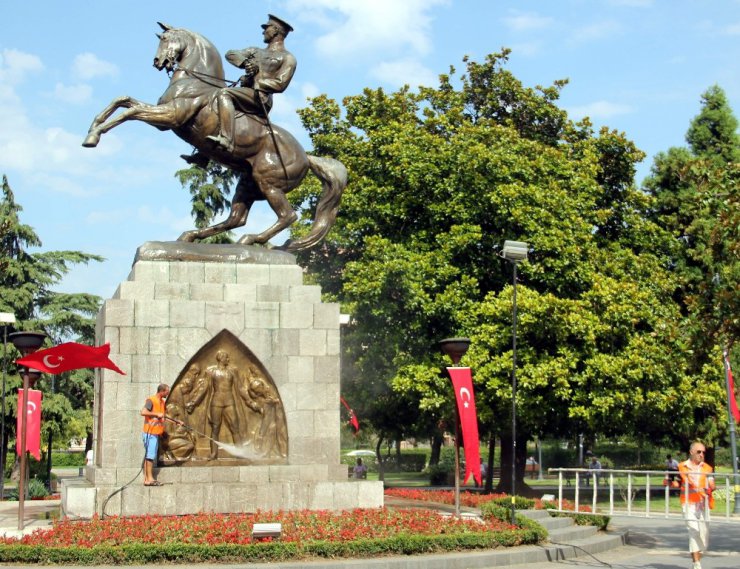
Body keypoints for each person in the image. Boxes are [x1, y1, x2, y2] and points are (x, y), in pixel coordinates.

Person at [205, 14, 296, 154]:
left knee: (224, 93)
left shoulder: (287, 58)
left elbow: (281, 84)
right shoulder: (255, 51)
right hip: (246, 94)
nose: (263, 31)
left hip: (261, 98)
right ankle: (204, 154)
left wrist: (256, 81)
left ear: (276, 30)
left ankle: (227, 139)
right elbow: (231, 54)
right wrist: (246, 63)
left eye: (267, 28)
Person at [678, 441, 715, 569]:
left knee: (703, 536)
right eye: (699, 452)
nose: (701, 454)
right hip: (688, 503)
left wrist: (711, 487)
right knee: (694, 531)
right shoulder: (682, 466)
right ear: (691, 452)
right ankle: (696, 564)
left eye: (703, 452)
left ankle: (699, 555)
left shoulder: (707, 468)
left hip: (703, 504)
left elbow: (711, 483)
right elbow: (684, 481)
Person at [140, 383, 175, 486]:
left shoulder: (162, 402)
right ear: (162, 391)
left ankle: (149, 478)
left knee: (151, 455)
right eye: (166, 392)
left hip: (156, 433)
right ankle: (148, 479)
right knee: (150, 456)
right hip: (149, 432)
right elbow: (143, 412)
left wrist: (177, 422)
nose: (167, 394)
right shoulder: (151, 400)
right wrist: (156, 414)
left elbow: (164, 416)